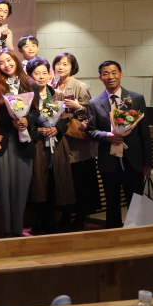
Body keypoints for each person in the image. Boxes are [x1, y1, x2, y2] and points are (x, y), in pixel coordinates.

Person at [88, 60, 152, 229]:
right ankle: (113, 235)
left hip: (133, 160)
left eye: (114, 72)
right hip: (109, 161)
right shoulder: (95, 103)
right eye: (106, 73)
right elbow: (91, 131)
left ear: (121, 75)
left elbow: (144, 132)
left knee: (136, 200)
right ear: (100, 77)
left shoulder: (136, 99)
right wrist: (106, 136)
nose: (110, 76)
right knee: (112, 202)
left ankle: (137, 233)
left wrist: (147, 162)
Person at [0, 49, 38, 237]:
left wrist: (26, 120)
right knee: (2, 187)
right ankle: (6, 230)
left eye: (9, 60)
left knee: (21, 186)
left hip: (23, 143)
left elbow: (35, 111)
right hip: (3, 142)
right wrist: (11, 120)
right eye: (1, 62)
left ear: (16, 61)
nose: (6, 65)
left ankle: (18, 229)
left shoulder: (30, 84)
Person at [25, 57, 74, 235]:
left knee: (55, 181)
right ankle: (40, 219)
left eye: (44, 73)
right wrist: (38, 130)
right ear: (29, 76)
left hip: (56, 144)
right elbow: (24, 120)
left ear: (49, 74)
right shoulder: (27, 96)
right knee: (39, 182)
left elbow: (66, 117)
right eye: (36, 73)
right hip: (38, 145)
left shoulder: (57, 94)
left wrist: (57, 128)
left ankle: (52, 220)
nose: (41, 76)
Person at [52, 52, 99, 230]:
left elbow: (91, 112)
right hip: (60, 139)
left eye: (65, 64)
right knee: (66, 180)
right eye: (58, 63)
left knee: (82, 180)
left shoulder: (79, 85)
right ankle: (66, 214)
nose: (61, 67)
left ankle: (81, 216)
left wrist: (78, 107)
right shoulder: (53, 85)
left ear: (72, 67)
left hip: (78, 140)